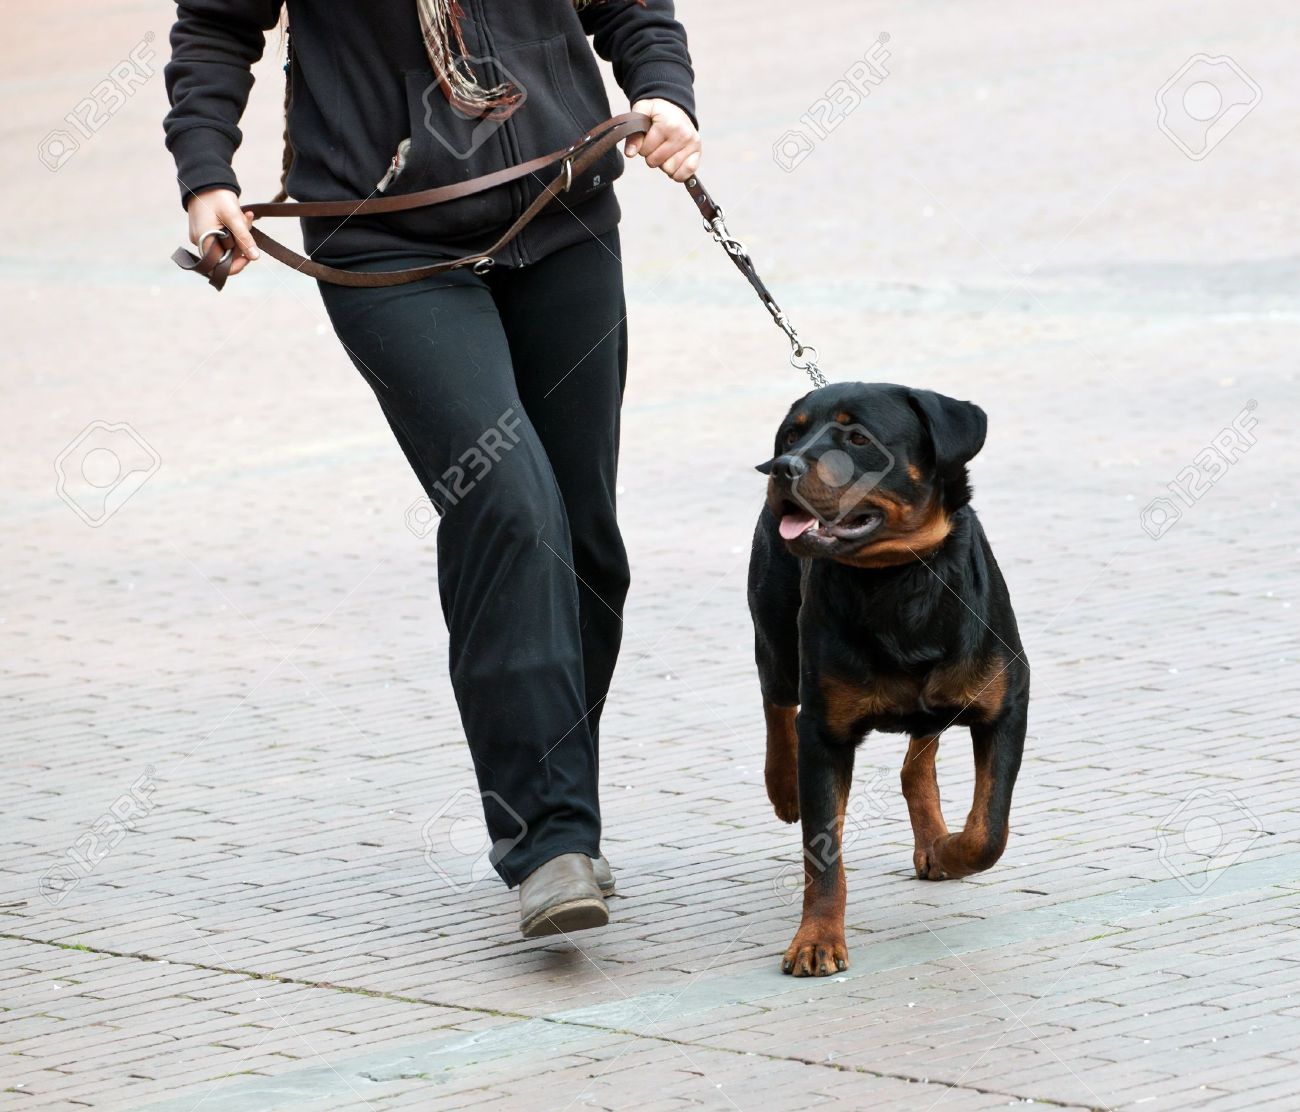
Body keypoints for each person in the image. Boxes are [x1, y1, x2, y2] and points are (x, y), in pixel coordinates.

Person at [163, 0, 700, 938]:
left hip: (564, 214)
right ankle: (549, 842)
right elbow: (215, 25)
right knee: (510, 503)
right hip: (385, 240)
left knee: (584, 542)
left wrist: (663, 92)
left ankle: (561, 806)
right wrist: (205, 171)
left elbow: (628, 6)